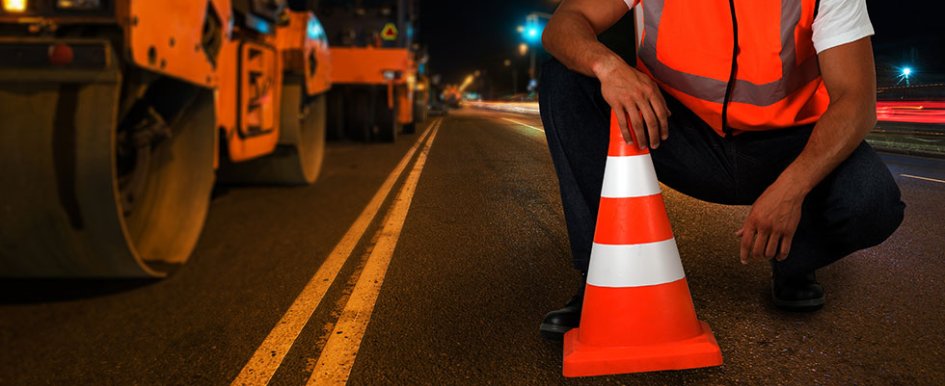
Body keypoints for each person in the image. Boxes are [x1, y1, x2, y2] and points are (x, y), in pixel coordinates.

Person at [538, 0, 906, 341]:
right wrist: (610, 68)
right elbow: (564, 25)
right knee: (566, 79)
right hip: (678, 131)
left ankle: (793, 260)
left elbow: (856, 101)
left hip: (786, 147)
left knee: (873, 201)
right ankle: (602, 278)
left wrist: (792, 189)